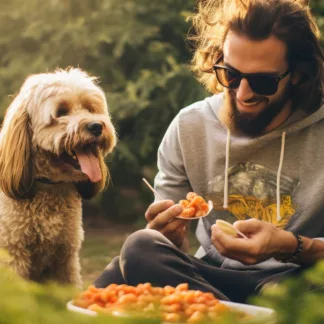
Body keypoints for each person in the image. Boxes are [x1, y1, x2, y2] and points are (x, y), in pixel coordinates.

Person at [94, 0, 324, 303]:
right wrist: (173, 237)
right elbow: (166, 244)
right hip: (206, 274)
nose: (243, 93)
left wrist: (293, 247)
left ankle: (222, 313)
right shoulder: (190, 126)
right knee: (140, 246)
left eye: (263, 81)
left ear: (297, 73)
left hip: (292, 279)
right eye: (230, 74)